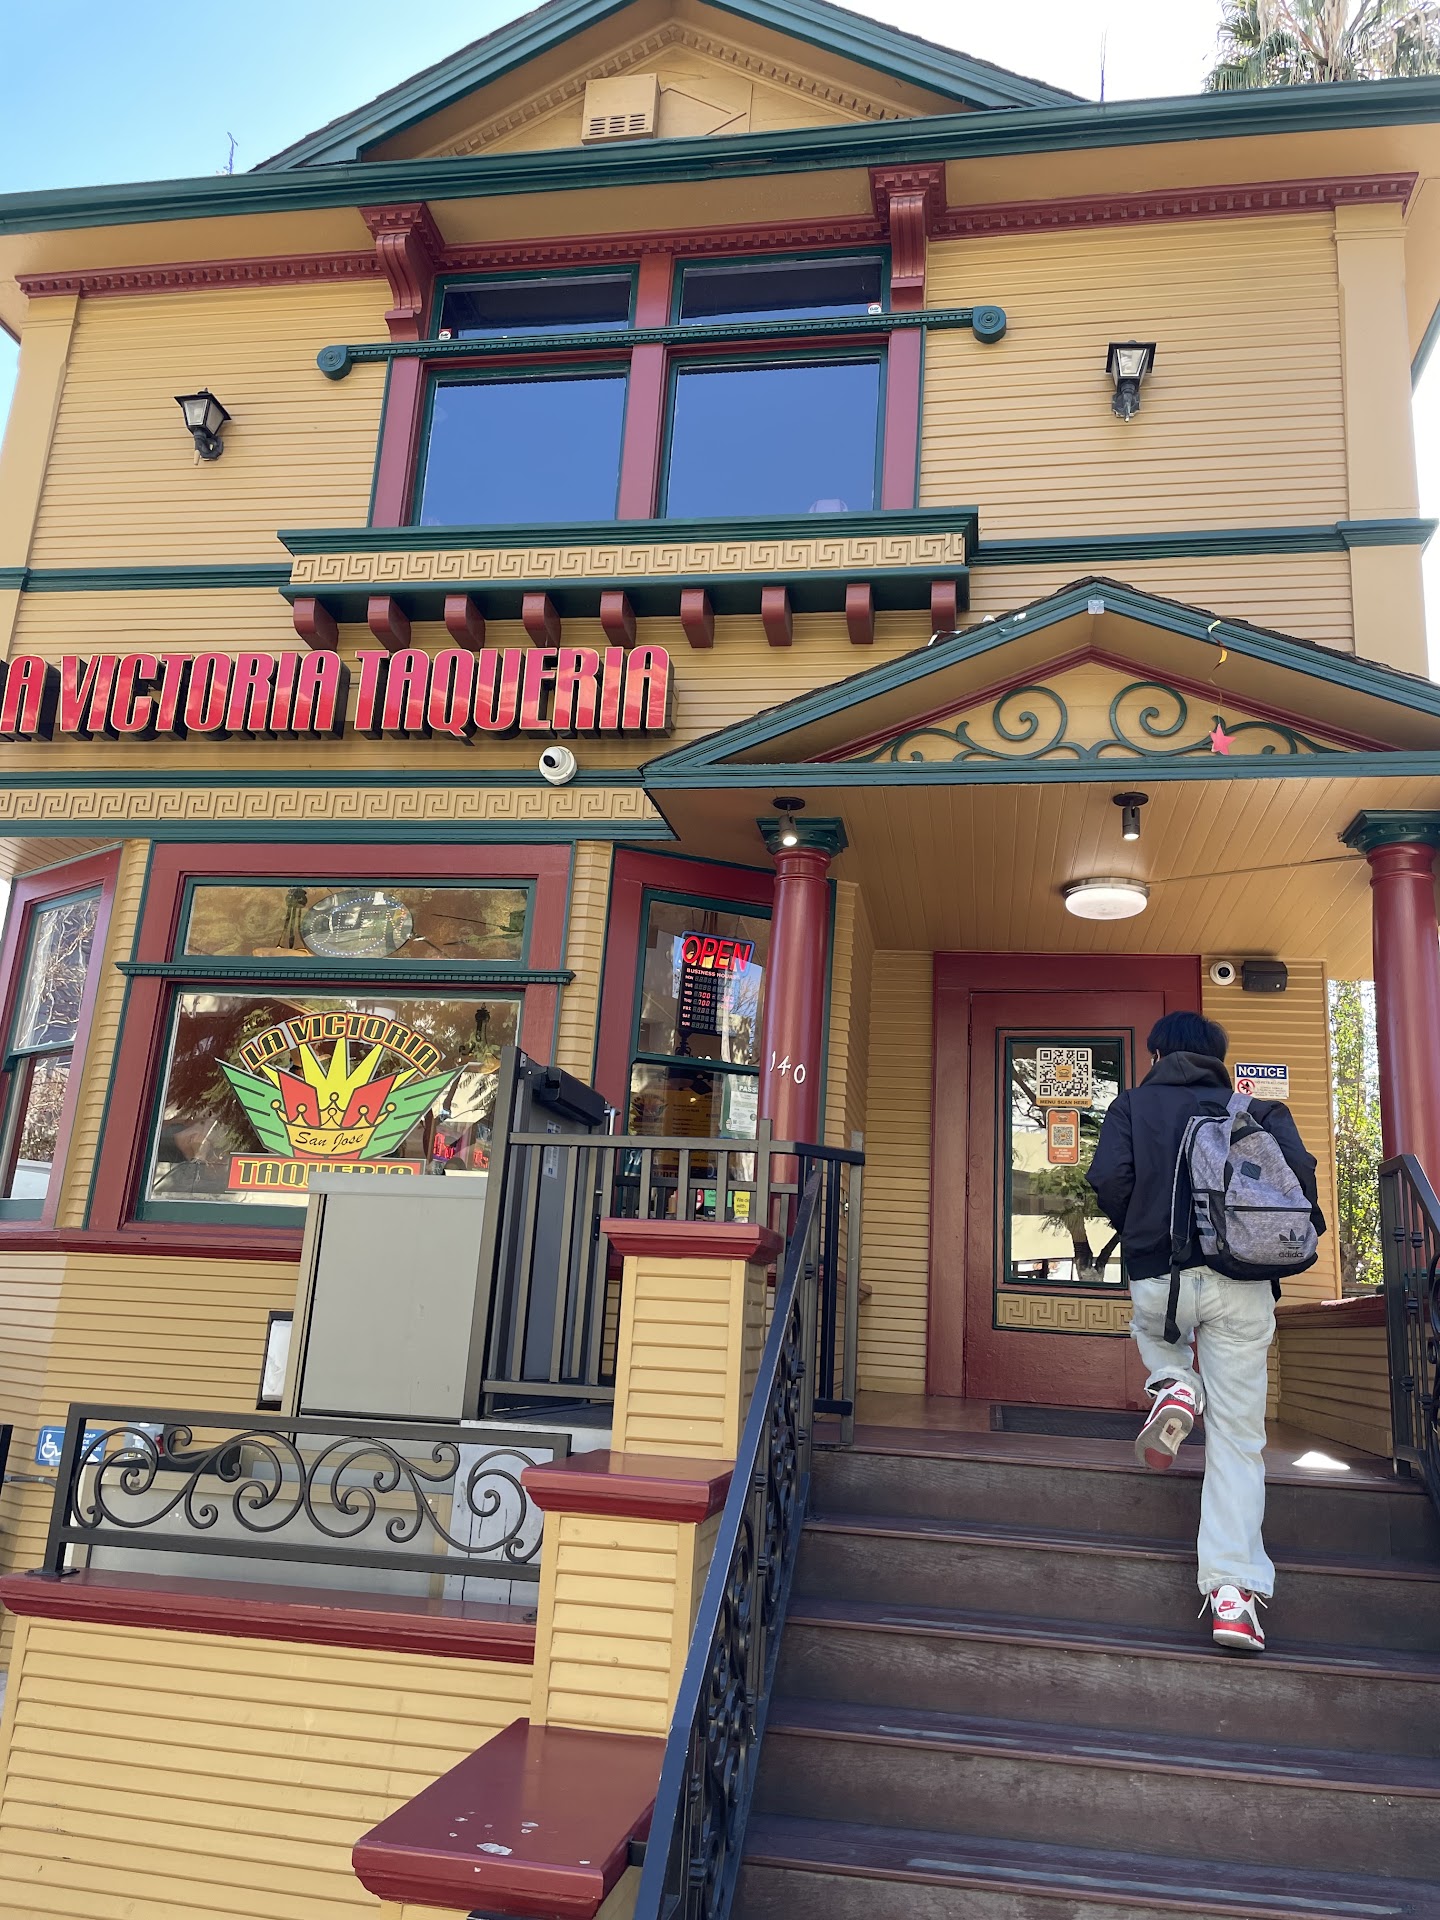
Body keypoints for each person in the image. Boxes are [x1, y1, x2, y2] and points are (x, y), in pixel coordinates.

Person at [1087, 1012, 1325, 1654]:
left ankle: (1173, 1384)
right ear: (1219, 1057)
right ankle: (1232, 1595)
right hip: (1243, 1283)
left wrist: (1144, 1226)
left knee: (1157, 1337)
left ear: (1157, 1054)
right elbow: (1303, 1190)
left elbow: (1108, 1180)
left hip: (1160, 1276)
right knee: (1240, 1439)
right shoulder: (1258, 1110)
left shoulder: (1132, 1105)